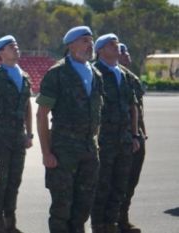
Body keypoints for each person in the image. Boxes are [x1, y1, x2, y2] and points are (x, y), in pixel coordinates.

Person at [36, 26, 103, 233]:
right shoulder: (57, 73)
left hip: (89, 150)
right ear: (71, 45)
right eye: (84, 40)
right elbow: (41, 115)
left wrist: (95, 144)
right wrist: (46, 153)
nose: (90, 45)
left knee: (83, 206)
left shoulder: (96, 75)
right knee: (61, 208)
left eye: (91, 40)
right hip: (63, 151)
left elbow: (97, 114)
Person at [90, 33, 140, 233]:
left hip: (124, 139)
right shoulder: (94, 72)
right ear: (100, 50)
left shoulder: (125, 75)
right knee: (102, 184)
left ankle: (111, 224)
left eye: (118, 43)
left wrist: (135, 135)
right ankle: (98, 225)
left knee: (120, 184)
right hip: (103, 141)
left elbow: (133, 106)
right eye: (112, 44)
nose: (117, 47)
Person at [0, 35, 33, 233]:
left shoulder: (24, 76)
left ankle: (10, 224)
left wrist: (29, 133)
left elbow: (27, 106)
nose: (16, 48)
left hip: (18, 138)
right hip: (0, 139)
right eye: (10, 46)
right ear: (0, 53)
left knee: (14, 181)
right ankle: (0, 226)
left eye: (16, 45)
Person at [117, 43, 147, 233]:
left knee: (130, 183)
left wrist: (141, 132)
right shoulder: (104, 76)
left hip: (136, 136)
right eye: (123, 51)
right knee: (115, 183)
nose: (128, 55)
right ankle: (110, 222)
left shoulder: (131, 78)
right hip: (117, 139)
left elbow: (139, 109)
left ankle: (122, 219)